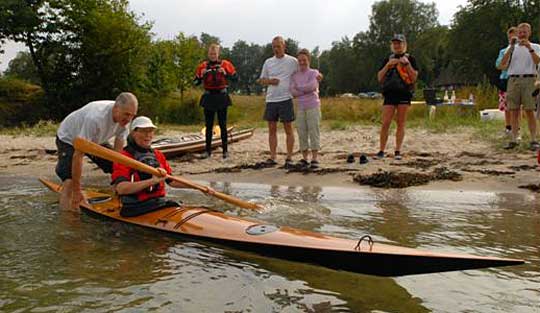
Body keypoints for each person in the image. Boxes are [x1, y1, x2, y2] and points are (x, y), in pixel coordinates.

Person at [111, 116, 215, 217]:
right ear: (133, 133)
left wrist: (199, 187)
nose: (148, 135)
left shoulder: (157, 155)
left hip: (158, 203)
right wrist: (152, 181)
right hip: (135, 207)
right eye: (143, 131)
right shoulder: (123, 157)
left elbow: (172, 181)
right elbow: (121, 189)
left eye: (150, 131)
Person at [55, 92, 138, 211]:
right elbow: (78, 155)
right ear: (116, 108)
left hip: (97, 139)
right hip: (69, 139)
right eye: (127, 114)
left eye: (132, 115)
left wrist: (118, 175)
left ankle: (120, 200)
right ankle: (67, 219)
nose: (129, 119)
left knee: (116, 168)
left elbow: (117, 157)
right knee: (70, 181)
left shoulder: (126, 119)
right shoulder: (95, 118)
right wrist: (77, 191)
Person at [257, 36, 299, 167]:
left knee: (288, 128)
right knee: (272, 129)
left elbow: (303, 71)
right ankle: (273, 156)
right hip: (271, 99)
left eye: (278, 46)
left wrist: (316, 76)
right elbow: (261, 80)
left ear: (284, 46)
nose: (276, 49)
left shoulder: (292, 61)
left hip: (286, 98)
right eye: (274, 47)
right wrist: (270, 81)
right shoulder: (268, 62)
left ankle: (289, 157)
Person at [375, 34, 418, 160]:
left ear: (404, 44)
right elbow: (379, 77)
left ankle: (397, 151)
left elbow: (414, 78)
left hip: (404, 93)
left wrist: (407, 65)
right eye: (394, 43)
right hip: (389, 94)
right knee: (385, 123)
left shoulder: (411, 59)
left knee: (400, 123)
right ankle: (381, 150)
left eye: (399, 43)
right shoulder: (388, 59)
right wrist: (388, 65)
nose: (397, 46)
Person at [499, 22, 540, 150]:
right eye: (520, 32)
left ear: (529, 33)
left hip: (529, 79)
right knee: (513, 110)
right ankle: (514, 139)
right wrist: (511, 48)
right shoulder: (511, 48)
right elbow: (501, 65)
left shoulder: (536, 46)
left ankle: (533, 139)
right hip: (513, 80)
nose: (522, 34)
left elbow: (538, 61)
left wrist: (529, 48)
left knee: (529, 110)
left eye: (524, 32)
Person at [194, 43, 238, 160]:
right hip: (208, 96)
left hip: (221, 96)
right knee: (208, 126)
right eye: (211, 53)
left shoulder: (226, 64)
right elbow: (195, 82)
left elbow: (236, 78)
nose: (213, 55)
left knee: (223, 125)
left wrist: (226, 73)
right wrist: (200, 77)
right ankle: (207, 151)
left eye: (215, 53)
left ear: (218, 54)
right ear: (208, 54)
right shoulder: (203, 66)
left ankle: (225, 151)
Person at [290, 48, 321, 169]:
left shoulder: (314, 73)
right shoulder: (294, 75)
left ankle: (314, 158)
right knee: (302, 132)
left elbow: (312, 87)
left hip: (313, 105)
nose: (302, 62)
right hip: (300, 107)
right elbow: (292, 91)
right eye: (300, 60)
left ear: (309, 60)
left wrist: (300, 88)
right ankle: (304, 158)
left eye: (304, 60)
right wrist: (303, 89)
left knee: (314, 130)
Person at [495, 27, 517, 135]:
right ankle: (508, 127)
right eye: (510, 37)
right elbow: (499, 65)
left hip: (517, 78)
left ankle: (517, 128)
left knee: (517, 105)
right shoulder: (503, 51)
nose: (512, 39)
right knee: (506, 105)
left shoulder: (522, 50)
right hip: (505, 79)